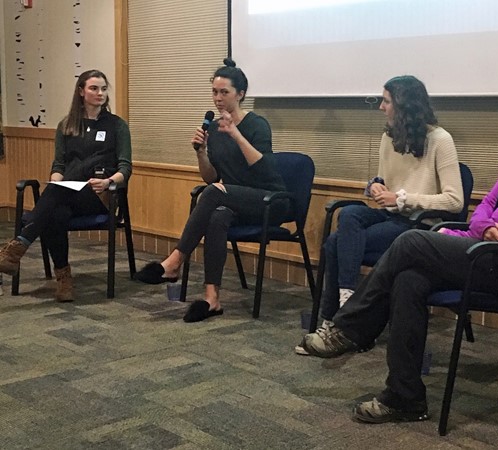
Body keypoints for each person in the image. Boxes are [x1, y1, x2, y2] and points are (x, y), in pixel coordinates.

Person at [297, 72, 498, 423]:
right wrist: (486, 224)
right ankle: (404, 397)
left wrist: (486, 224)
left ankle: (347, 328)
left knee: (410, 241)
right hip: (489, 253)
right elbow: (484, 208)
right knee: (409, 278)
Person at [296, 76, 463, 355]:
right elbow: (386, 180)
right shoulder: (389, 136)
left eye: (386, 101)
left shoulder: (440, 140)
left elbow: (454, 200)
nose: (381, 108)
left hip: (419, 224)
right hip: (389, 215)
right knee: (349, 213)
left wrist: (402, 198)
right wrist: (375, 184)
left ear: (404, 105)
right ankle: (347, 307)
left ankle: (336, 321)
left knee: (335, 244)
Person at [134, 58, 290, 323]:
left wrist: (236, 135)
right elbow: (212, 178)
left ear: (240, 94)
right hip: (233, 201)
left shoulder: (257, 124)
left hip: (267, 200)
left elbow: (263, 168)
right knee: (217, 215)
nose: (218, 98)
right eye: (214, 92)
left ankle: (174, 262)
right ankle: (212, 298)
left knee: (215, 195)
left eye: (224, 92)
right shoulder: (216, 129)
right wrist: (202, 153)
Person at [0, 69, 132, 302]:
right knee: (55, 211)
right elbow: (59, 165)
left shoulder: (116, 125)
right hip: (67, 193)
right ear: (81, 91)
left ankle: (18, 247)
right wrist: (56, 181)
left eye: (103, 88)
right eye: (94, 88)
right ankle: (63, 278)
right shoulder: (67, 125)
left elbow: (125, 168)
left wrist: (109, 181)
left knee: (53, 198)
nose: (100, 93)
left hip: (99, 195)